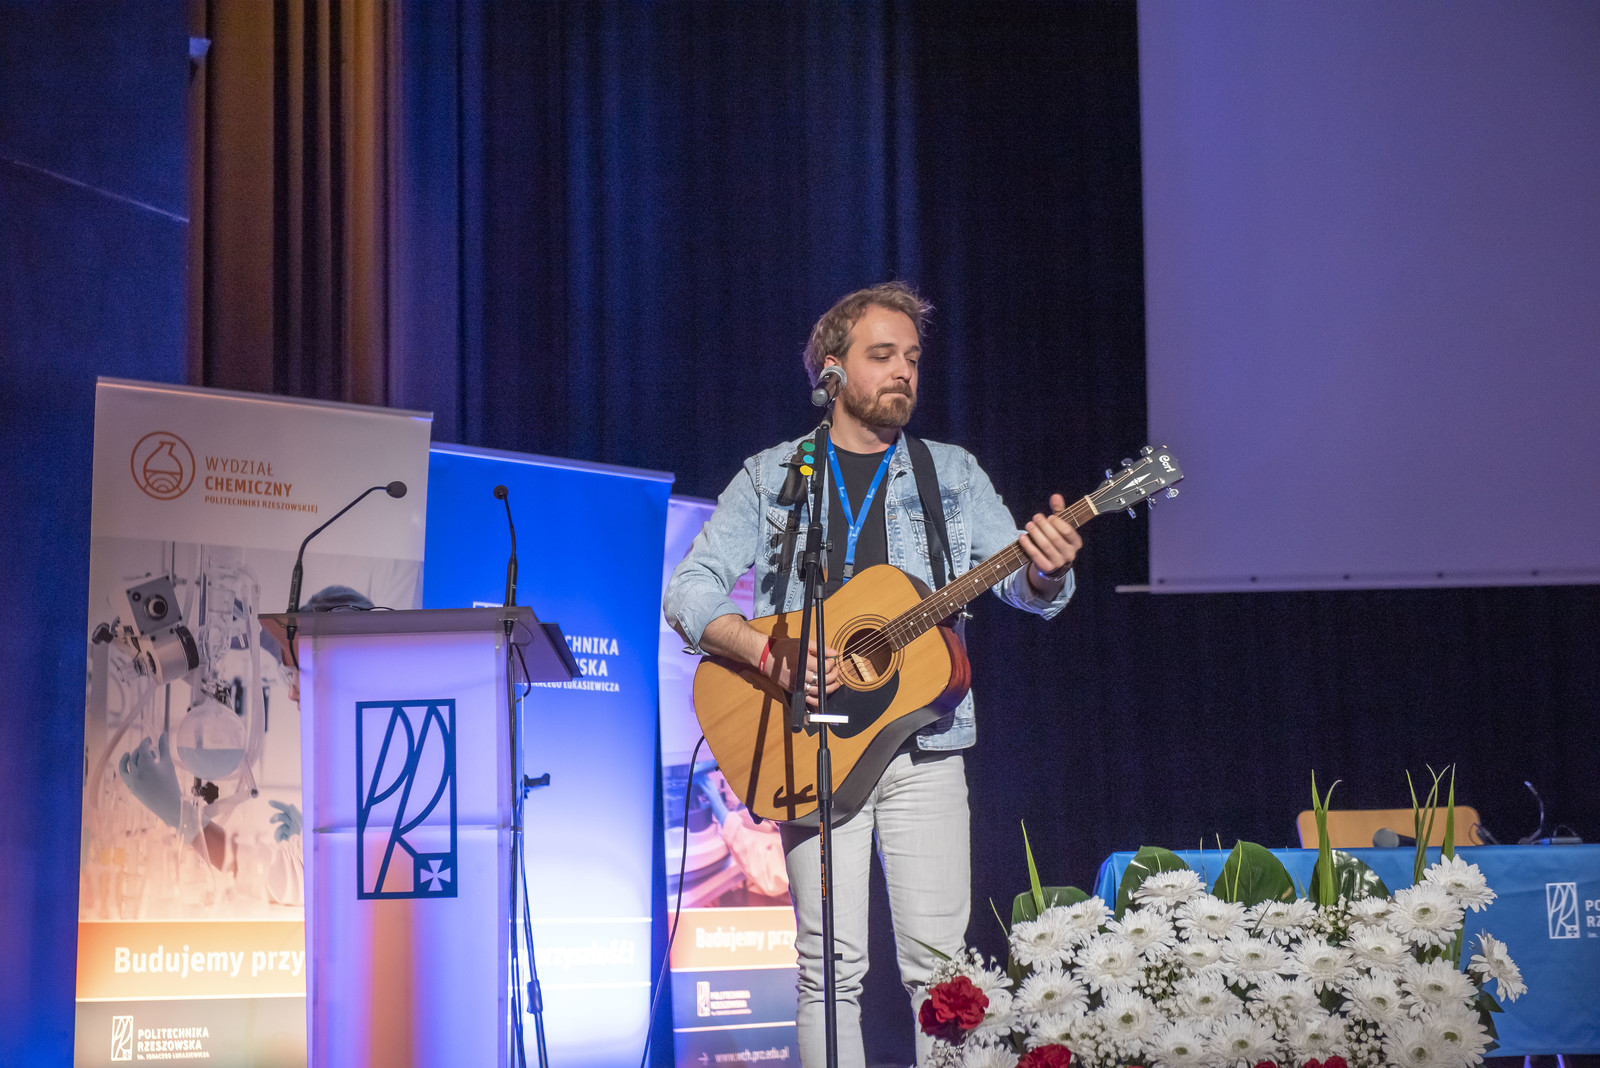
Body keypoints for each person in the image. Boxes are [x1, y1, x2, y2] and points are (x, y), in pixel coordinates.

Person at [663, 282, 1082, 1066]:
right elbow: (688, 592)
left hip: (927, 749)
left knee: (942, 972)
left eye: (913, 359)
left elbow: (1022, 587)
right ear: (832, 370)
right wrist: (769, 653)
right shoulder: (774, 475)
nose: (904, 373)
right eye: (883, 355)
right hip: (810, 746)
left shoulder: (951, 474)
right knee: (828, 973)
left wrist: (1046, 573)